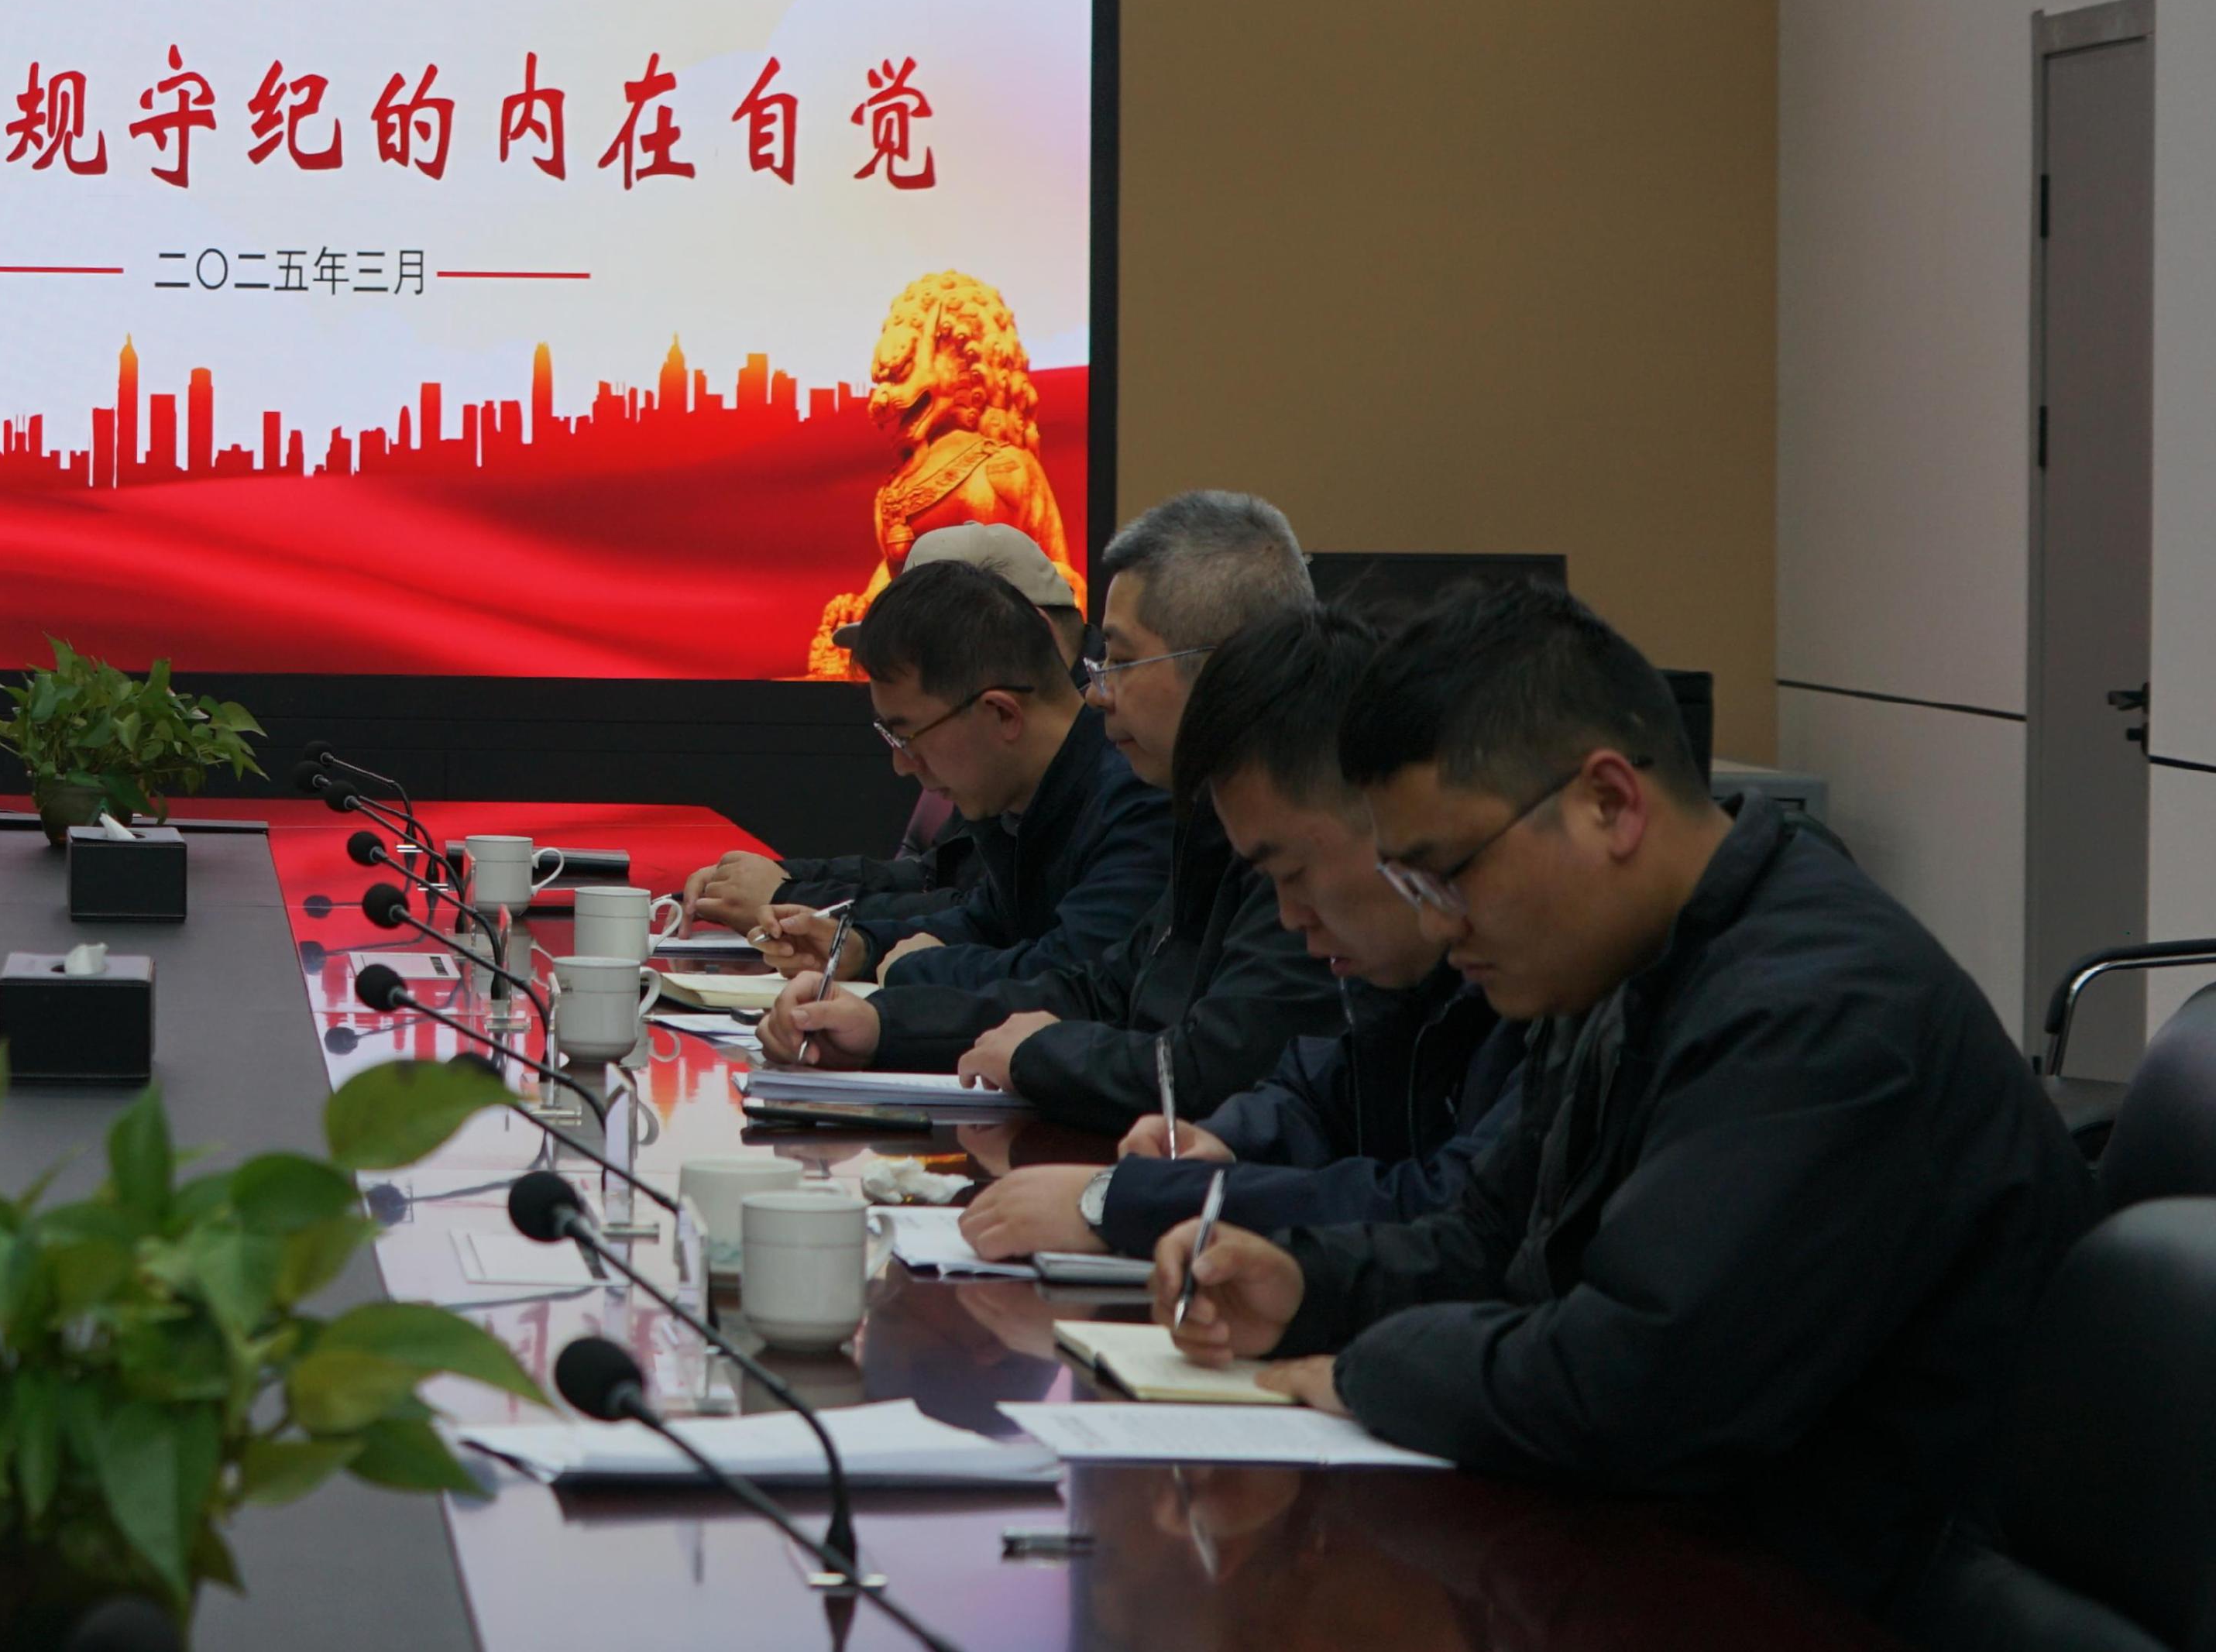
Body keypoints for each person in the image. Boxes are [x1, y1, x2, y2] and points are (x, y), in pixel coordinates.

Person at [1154, 581, 2097, 1623]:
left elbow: (1634, 1386)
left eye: (1448, 872)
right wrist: (1303, 1284)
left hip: (1859, 1604)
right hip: (1703, 1560)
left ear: (1608, 802)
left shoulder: (1817, 1009)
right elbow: (1489, 1240)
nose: (1438, 923)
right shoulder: (1628, 964)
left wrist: (1365, 1365)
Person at [956, 602, 1520, 1260]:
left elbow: (1455, 1211)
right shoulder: (1403, 969)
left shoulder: (1545, 983)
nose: (1289, 915)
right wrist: (1228, 1142)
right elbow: (1321, 1091)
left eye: (1293, 873)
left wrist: (1137, 1202)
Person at [767, 495, 1338, 1119]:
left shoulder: (1311, 826)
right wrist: (883, 1025)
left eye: (1122, 660)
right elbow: (1104, 989)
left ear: (1227, 667)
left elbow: (1216, 1067)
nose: (1097, 692)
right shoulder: (1204, 813)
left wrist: (1037, 1053)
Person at [753, 560, 1165, 1062]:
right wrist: (861, 946)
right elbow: (984, 921)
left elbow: (1079, 978)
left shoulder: (1140, 796)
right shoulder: (1032, 793)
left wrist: (913, 973)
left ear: (1001, 713)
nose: (902, 764)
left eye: (907, 735)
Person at [682, 523, 1080, 943]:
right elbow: (942, 879)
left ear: (1029, 634)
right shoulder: (1000, 749)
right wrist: (783, 880)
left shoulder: (1108, 761)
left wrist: (789, 897)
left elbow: (997, 926)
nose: (903, 764)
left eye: (932, 647)